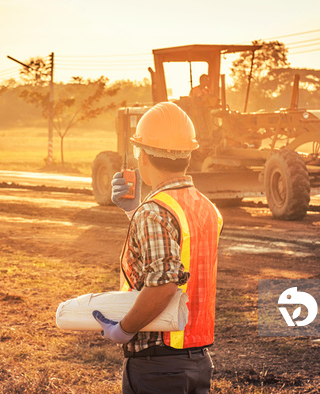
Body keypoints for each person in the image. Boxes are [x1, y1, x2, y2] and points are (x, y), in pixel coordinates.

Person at [93, 102, 223, 393]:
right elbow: (181, 255)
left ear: (143, 157)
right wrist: (134, 212)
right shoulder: (206, 207)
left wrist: (123, 329)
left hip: (158, 368)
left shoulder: (154, 213)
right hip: (197, 359)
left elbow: (163, 286)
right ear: (188, 155)